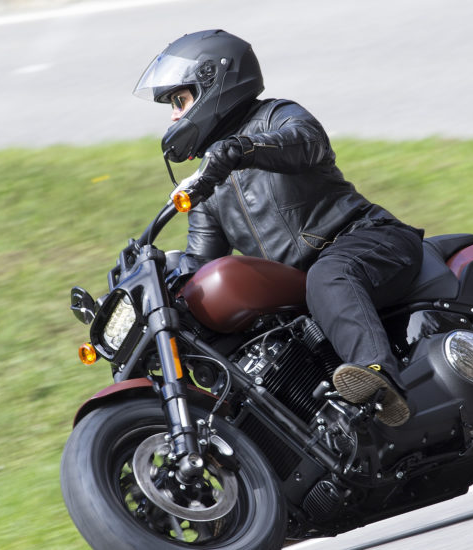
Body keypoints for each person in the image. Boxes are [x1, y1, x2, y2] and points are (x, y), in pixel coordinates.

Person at [133, 30, 423, 427]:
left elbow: (306, 142)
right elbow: (201, 261)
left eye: (179, 101)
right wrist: (153, 274)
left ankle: (377, 379)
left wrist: (240, 150)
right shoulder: (210, 184)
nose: (173, 116)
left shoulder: (276, 116)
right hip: (304, 286)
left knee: (328, 275)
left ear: (212, 82)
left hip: (365, 240)